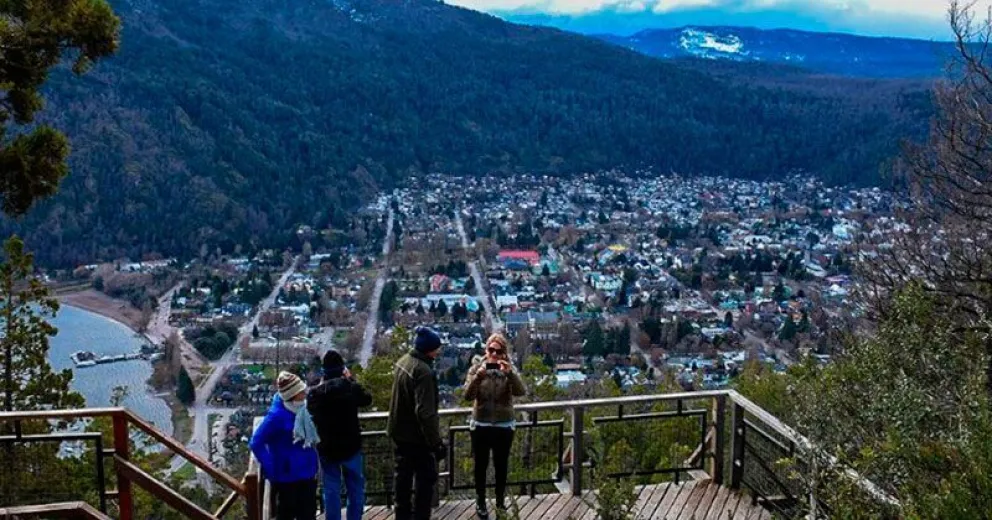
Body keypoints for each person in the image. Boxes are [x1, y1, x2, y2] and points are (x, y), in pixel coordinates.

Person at [463, 332, 526, 518]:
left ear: (504, 353)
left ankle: (500, 503)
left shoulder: (509, 369)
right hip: (481, 423)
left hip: (503, 425)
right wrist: (478, 377)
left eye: (498, 351)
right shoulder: (476, 367)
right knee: (480, 466)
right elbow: (467, 395)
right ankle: (480, 502)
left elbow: (521, 392)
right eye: (491, 350)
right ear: (486, 349)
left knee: (501, 466)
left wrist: (510, 374)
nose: (494, 355)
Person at [387, 326, 446, 520]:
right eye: (437, 347)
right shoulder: (424, 372)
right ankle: (421, 516)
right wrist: (436, 442)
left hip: (398, 430)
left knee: (402, 479)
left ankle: (402, 515)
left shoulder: (404, 362)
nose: (439, 351)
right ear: (429, 349)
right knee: (425, 478)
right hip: (416, 436)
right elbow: (425, 412)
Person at [308, 349, 373, 520]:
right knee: (356, 487)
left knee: (331, 488)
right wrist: (350, 379)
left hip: (327, 448)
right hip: (351, 445)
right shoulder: (350, 388)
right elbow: (367, 399)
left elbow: (310, 411)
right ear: (342, 369)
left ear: (324, 371)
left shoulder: (316, 393)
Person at [249, 371, 320, 520]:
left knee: (308, 513)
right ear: (292, 395)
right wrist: (270, 467)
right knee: (286, 513)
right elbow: (256, 442)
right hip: (287, 475)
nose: (304, 393)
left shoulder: (303, 409)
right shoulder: (276, 416)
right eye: (301, 391)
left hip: (307, 471)